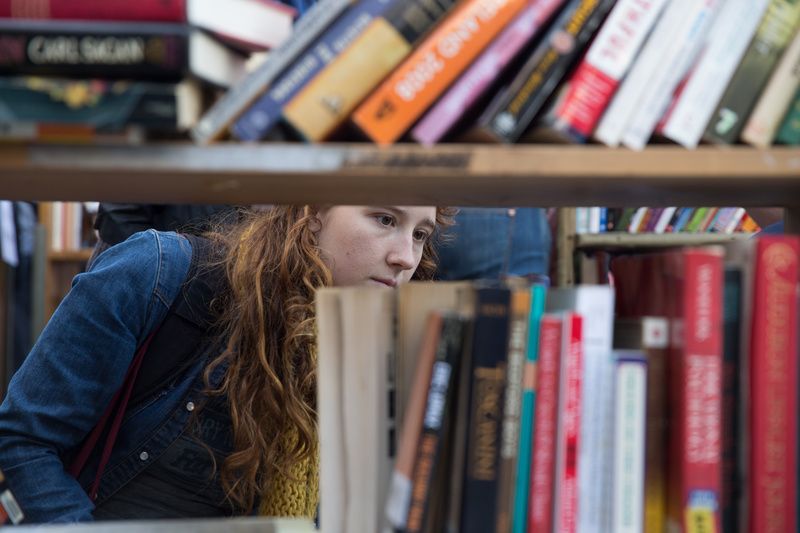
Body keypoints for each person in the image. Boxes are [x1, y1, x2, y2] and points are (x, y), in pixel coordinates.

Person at [0, 205, 452, 523]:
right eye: (385, 219)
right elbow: (23, 440)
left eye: (420, 234)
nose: (405, 257)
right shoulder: (156, 272)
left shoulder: (375, 351)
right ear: (311, 211)